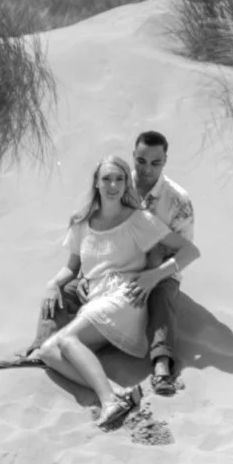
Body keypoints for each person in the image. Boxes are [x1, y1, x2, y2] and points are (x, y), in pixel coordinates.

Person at [27, 154, 202, 430]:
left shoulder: (139, 219)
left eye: (119, 179)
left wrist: (154, 275)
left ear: (125, 184)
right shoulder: (81, 223)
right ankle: (118, 394)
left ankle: (109, 402)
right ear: (96, 183)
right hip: (95, 300)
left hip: (126, 297)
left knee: (68, 339)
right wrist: (52, 284)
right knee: (49, 351)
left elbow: (190, 251)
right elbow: (71, 268)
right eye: (107, 179)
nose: (113, 185)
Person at [127, 129, 197, 396]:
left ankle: (162, 365)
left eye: (156, 162)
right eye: (141, 161)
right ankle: (46, 346)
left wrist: (153, 275)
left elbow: (185, 254)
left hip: (161, 270)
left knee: (161, 297)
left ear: (165, 161)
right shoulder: (118, 185)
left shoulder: (178, 200)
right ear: (133, 156)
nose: (147, 169)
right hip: (120, 265)